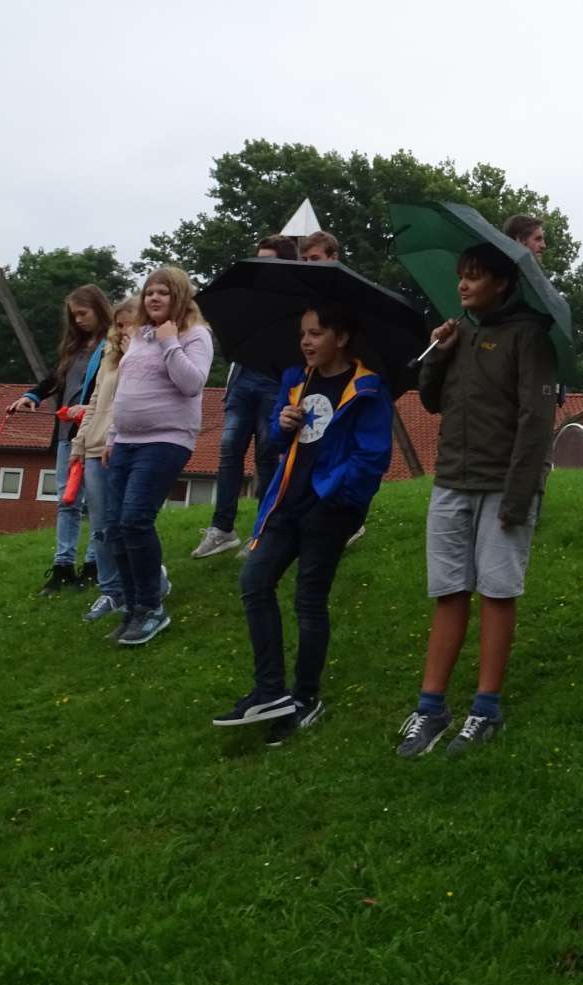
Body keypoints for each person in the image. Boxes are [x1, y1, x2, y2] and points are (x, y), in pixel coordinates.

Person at [397, 243, 558, 758]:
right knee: (448, 591)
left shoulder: (529, 336)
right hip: (451, 480)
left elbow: (536, 421)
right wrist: (438, 354)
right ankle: (431, 707)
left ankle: (486, 708)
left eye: (475, 277)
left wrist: (518, 494)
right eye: (461, 276)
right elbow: (431, 400)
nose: (463, 285)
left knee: (496, 592)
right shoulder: (458, 331)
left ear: (502, 284)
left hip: (503, 486)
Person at [214, 304, 392, 746]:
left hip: (330, 508)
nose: (306, 342)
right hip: (285, 502)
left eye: (315, 333)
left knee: (309, 600)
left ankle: (306, 697)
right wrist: (282, 423)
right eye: (303, 335)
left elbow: (373, 458)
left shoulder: (367, 388)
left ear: (342, 337)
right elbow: (277, 443)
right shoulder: (295, 379)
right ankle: (271, 690)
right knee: (254, 582)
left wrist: (335, 497)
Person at [108, 267, 213, 645]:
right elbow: (126, 389)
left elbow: (192, 384)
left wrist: (171, 343)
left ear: (180, 297)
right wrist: (112, 435)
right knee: (115, 528)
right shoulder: (138, 336)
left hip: (166, 440)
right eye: (149, 292)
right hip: (124, 441)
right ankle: (133, 606)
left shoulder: (195, 335)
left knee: (136, 520)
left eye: (163, 293)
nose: (153, 298)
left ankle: (152, 608)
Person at [193, 236, 298, 560]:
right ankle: (222, 528)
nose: (261, 264)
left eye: (269, 259)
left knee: (267, 456)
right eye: (259, 258)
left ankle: (262, 532)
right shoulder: (248, 294)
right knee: (229, 450)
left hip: (273, 381)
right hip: (242, 379)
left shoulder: (294, 298)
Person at [6, 285, 112, 596]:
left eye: (83, 313)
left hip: (94, 432)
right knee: (66, 501)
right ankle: (62, 565)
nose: (78, 320)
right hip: (67, 434)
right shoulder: (74, 348)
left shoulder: (113, 346)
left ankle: (93, 565)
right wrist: (31, 397)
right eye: (73, 315)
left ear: (99, 309)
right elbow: (55, 379)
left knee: (95, 503)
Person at [70, 298, 139, 627]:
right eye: (119, 324)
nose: (123, 331)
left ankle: (144, 581)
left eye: (130, 324)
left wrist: (135, 354)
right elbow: (94, 402)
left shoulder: (144, 359)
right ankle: (110, 590)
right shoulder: (109, 359)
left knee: (124, 523)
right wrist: (79, 442)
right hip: (95, 446)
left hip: (124, 446)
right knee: (99, 528)